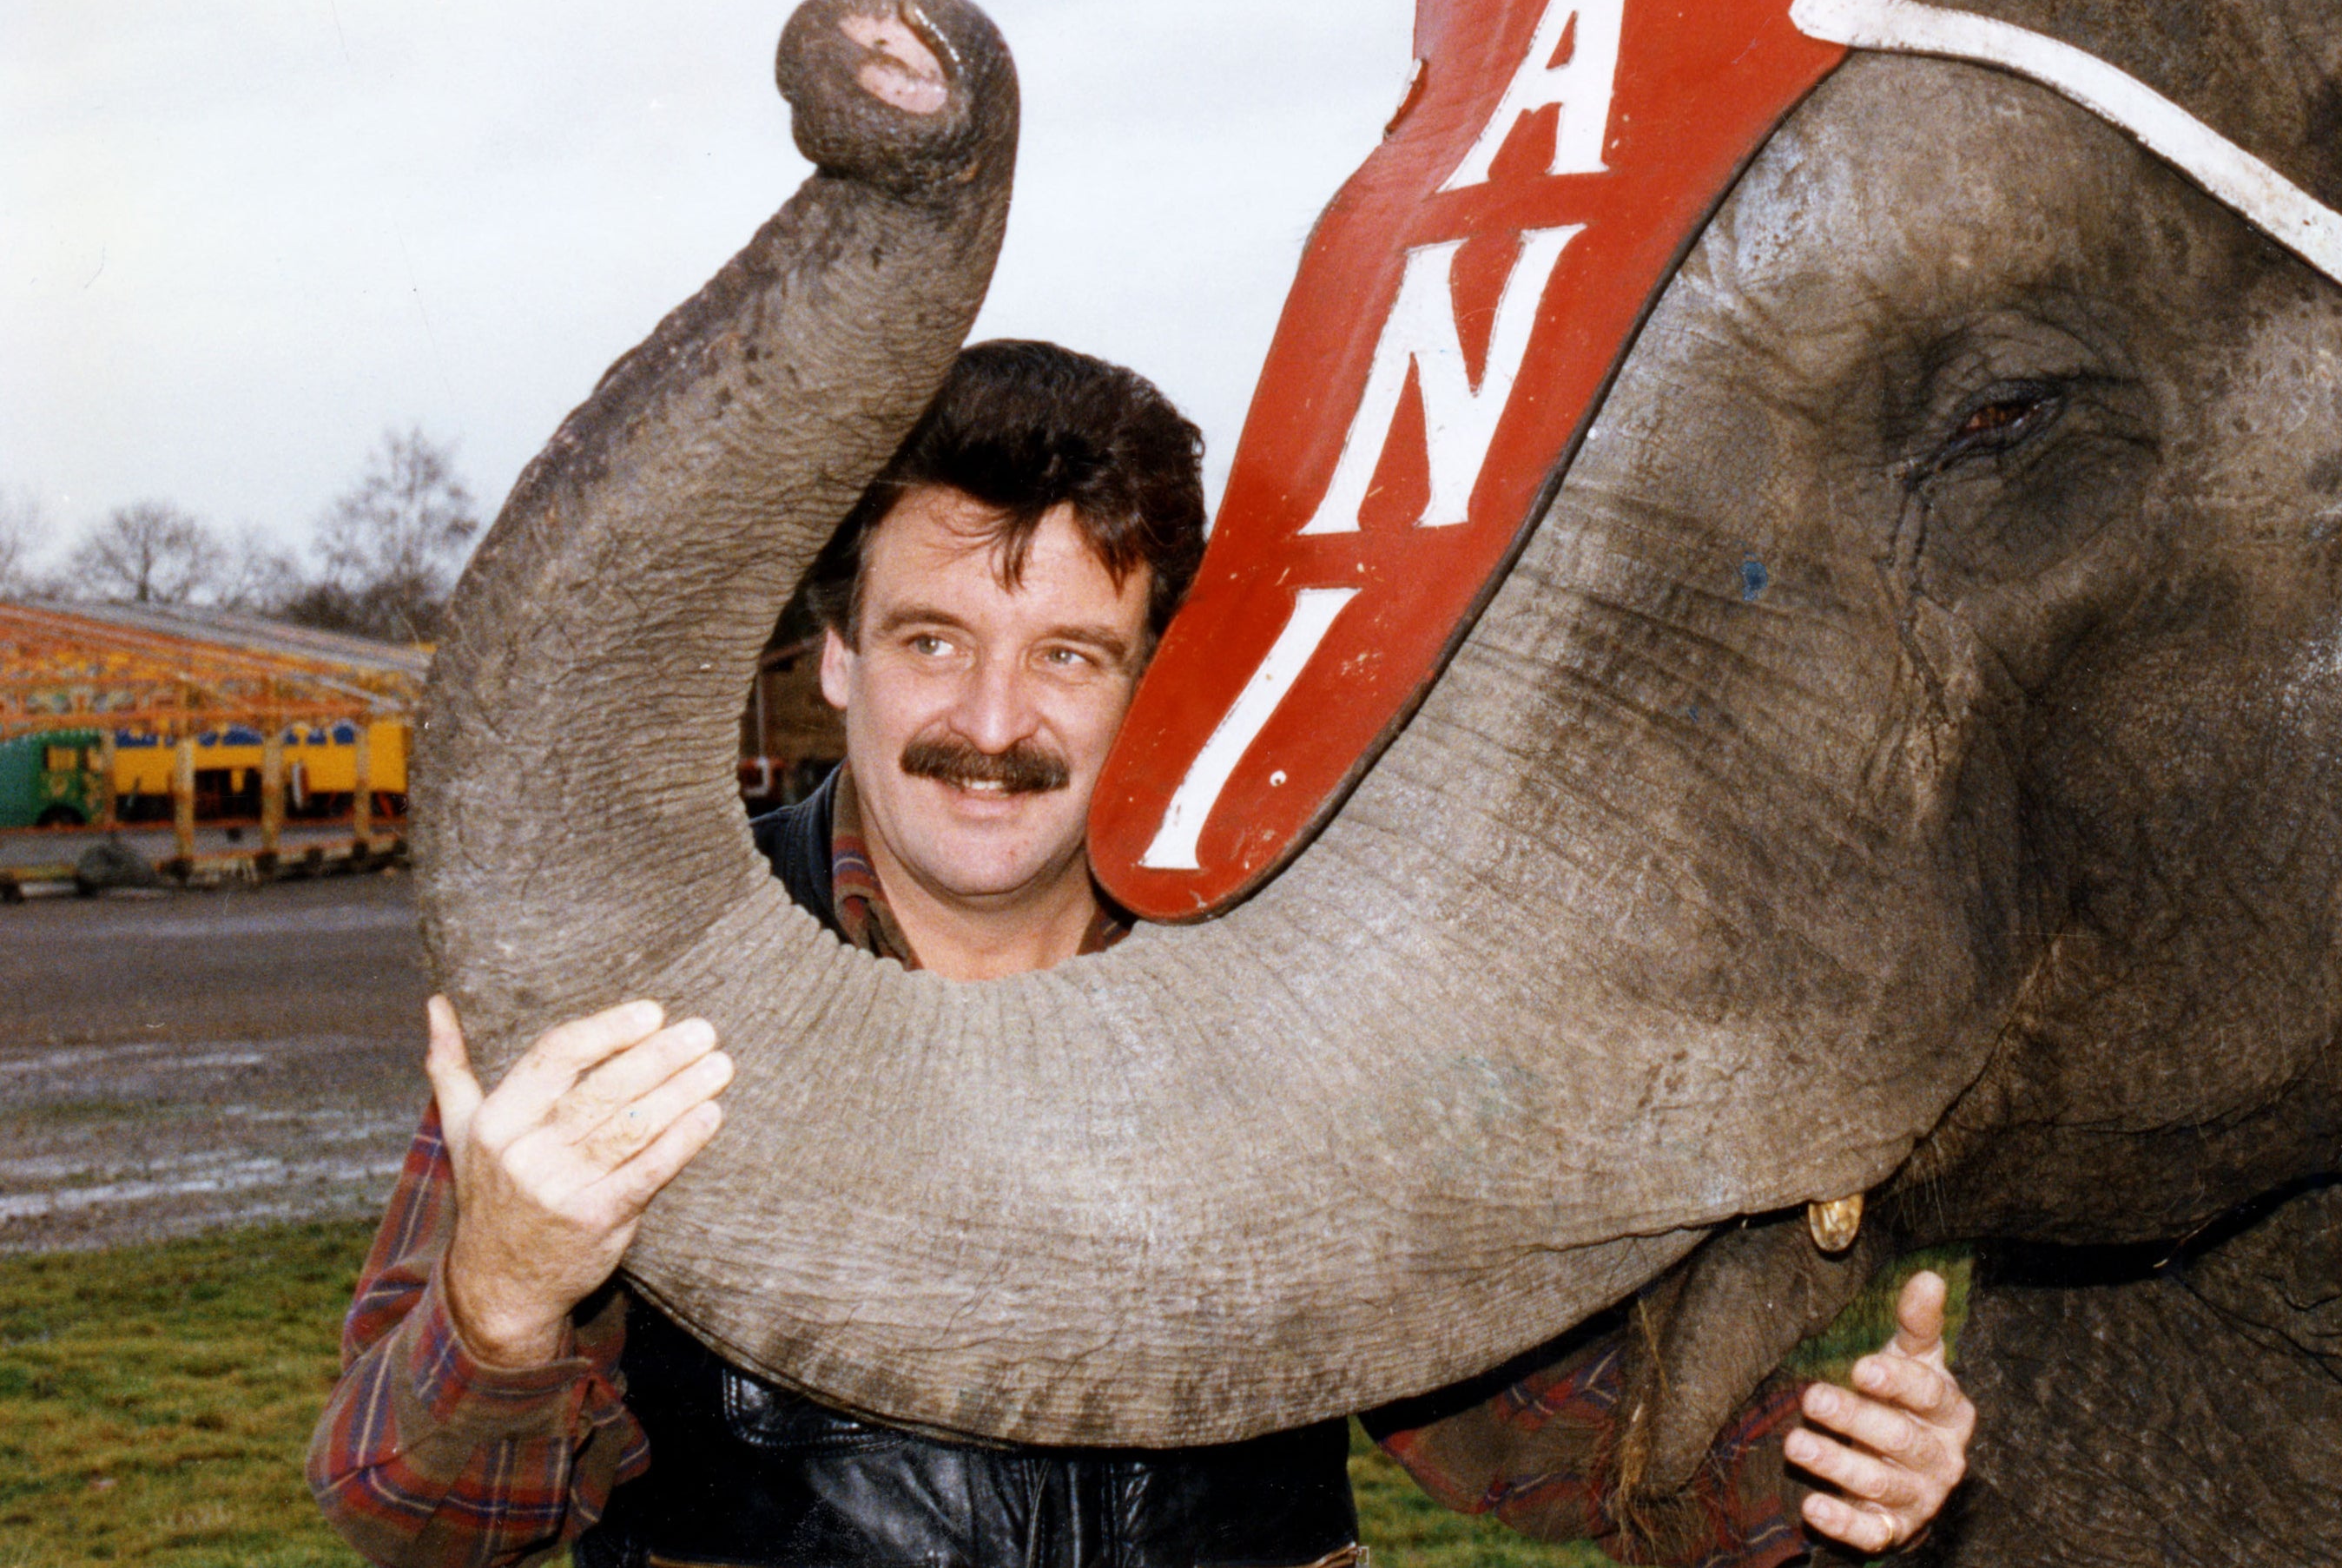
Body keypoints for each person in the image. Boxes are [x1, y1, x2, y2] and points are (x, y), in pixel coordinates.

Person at [311, 339, 1975, 1568]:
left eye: (1070, 657)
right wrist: (508, 1289)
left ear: (1159, 681)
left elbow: (1572, 1445)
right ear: (832, 658)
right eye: (931, 639)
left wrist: (1838, 1477)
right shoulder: (636, 1009)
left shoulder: (1286, 1014)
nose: (987, 723)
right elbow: (405, 1512)